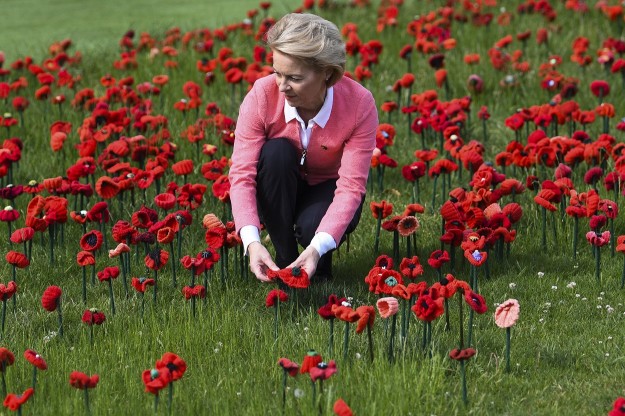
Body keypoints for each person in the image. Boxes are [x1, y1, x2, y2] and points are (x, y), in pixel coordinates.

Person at [229, 12, 378, 282]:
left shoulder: (359, 105)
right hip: (277, 186)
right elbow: (242, 175)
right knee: (276, 153)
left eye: (295, 78)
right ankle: (283, 261)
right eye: (277, 73)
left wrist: (318, 246)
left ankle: (318, 266)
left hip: (328, 189)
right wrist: (251, 242)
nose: (282, 86)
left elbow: (351, 187)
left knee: (313, 227)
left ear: (328, 74)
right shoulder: (262, 96)